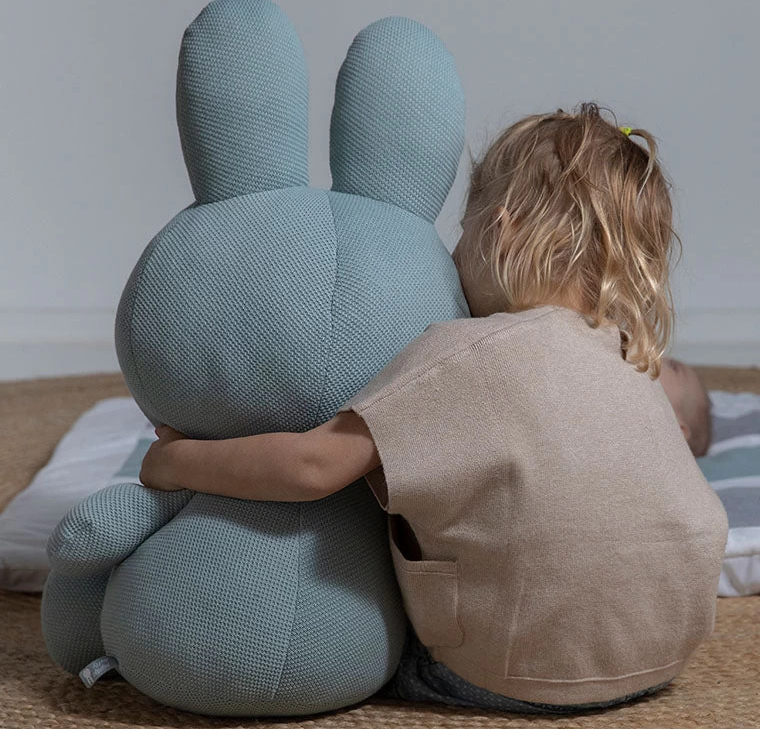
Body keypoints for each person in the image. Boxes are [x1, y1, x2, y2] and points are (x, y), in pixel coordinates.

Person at [140, 103, 728, 714]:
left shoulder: (464, 353)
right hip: (661, 658)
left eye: (463, 234)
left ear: (501, 230)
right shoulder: (633, 363)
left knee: (347, 632)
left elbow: (311, 467)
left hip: (515, 672)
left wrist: (177, 461)